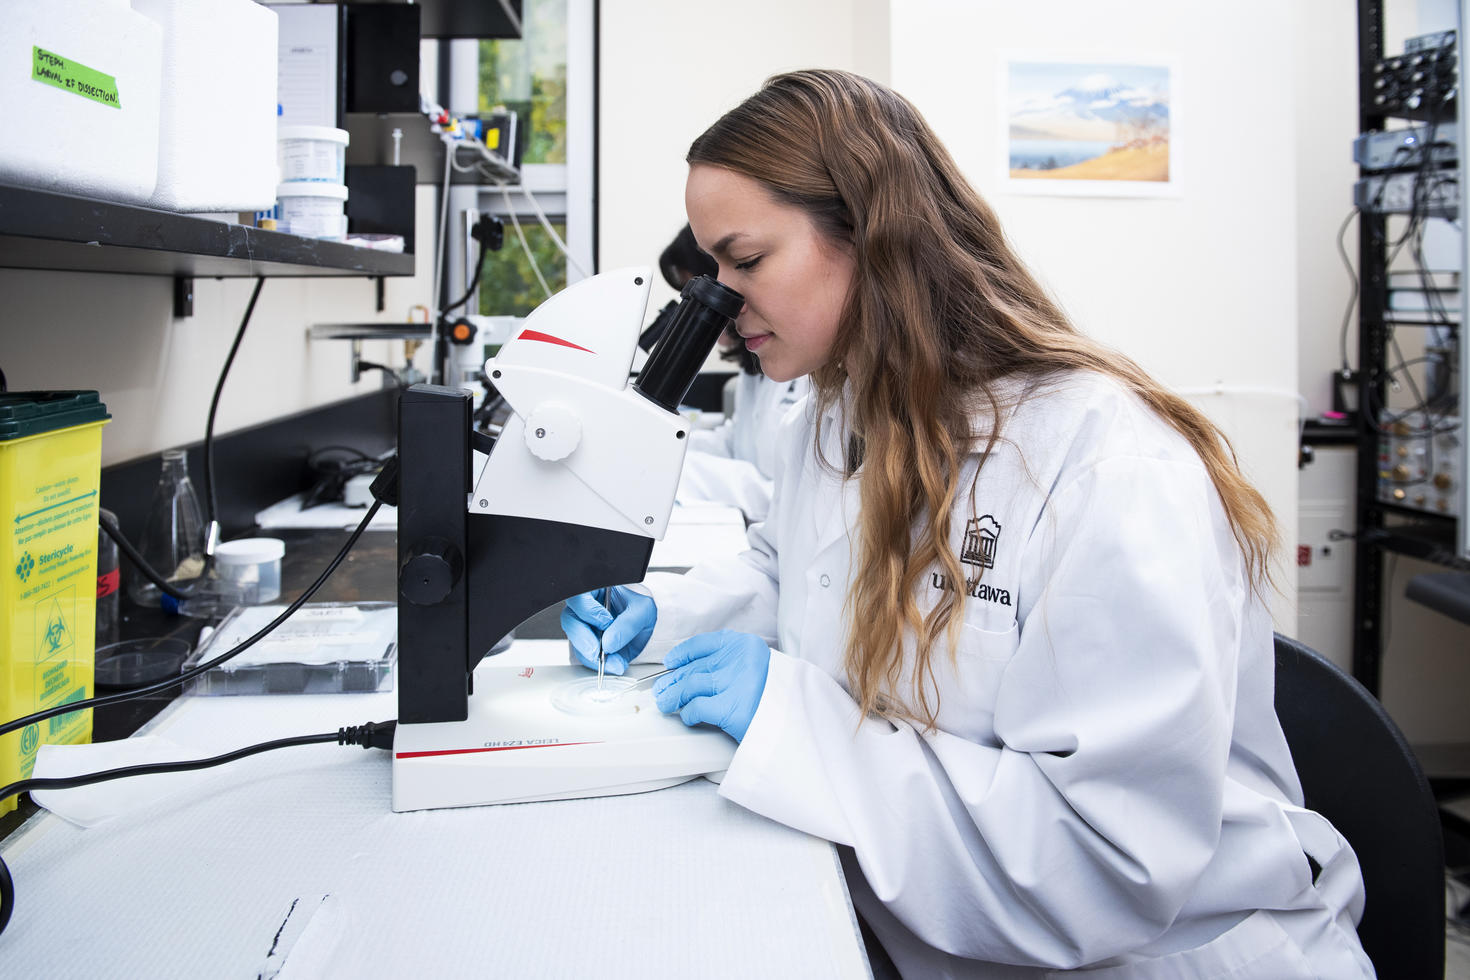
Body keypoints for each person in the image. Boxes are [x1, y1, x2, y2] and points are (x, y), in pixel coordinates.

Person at [562, 70, 1374, 978]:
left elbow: (1106, 860)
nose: (719, 301)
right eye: (710, 270)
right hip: (925, 937)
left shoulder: (1100, 462)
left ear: (874, 234)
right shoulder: (833, 416)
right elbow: (794, 572)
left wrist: (794, 722)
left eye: (745, 262)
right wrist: (663, 623)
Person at [646, 224, 809, 523]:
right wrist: (658, 447)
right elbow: (735, 441)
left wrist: (671, 472)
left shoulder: (806, 366)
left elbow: (776, 497)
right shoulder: (754, 369)